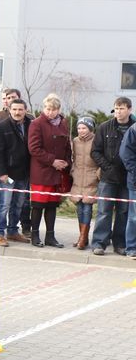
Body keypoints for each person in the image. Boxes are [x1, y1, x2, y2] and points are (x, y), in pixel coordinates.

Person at [90, 97, 134, 256]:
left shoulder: (133, 128)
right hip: (108, 178)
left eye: (121, 108)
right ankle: (99, 243)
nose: (118, 112)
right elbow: (95, 151)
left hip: (127, 178)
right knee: (104, 211)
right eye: (116, 108)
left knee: (123, 212)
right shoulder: (104, 127)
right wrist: (108, 168)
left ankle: (120, 244)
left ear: (129, 109)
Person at [28, 93, 71, 248]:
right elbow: (34, 148)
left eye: (53, 109)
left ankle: (50, 237)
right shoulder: (37, 124)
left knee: (52, 205)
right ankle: (34, 236)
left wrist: (66, 162)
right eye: (47, 108)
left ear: (58, 110)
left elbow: (67, 145)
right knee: (38, 205)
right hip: (42, 171)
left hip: (57, 172)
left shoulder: (63, 123)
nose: (50, 112)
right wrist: (52, 161)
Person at [0, 98, 32, 246]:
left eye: (20, 109)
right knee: (4, 204)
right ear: (9, 110)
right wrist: (1, 172)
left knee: (19, 204)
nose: (17, 112)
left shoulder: (31, 125)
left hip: (24, 173)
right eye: (14, 109)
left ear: (25, 110)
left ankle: (13, 231)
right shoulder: (1, 127)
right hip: (7, 174)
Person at [69, 117, 98, 250]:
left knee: (87, 207)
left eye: (84, 128)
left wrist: (98, 174)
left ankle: (83, 238)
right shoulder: (75, 141)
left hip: (91, 178)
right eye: (79, 128)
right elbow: (73, 157)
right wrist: (72, 171)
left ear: (90, 128)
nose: (81, 130)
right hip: (78, 177)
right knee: (79, 208)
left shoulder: (97, 139)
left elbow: (101, 157)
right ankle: (82, 237)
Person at [118, 120, 136, 258]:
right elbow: (125, 153)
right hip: (135, 181)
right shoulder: (133, 130)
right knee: (134, 217)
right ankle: (131, 247)